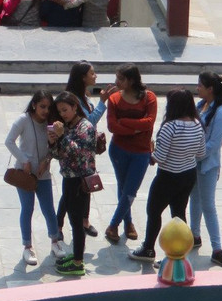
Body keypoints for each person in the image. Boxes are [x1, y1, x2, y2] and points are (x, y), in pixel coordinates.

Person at [128, 89, 206, 263]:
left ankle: (148, 249)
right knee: (179, 213)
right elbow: (201, 153)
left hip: (168, 177)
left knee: (154, 211)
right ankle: (181, 249)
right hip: (188, 174)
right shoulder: (197, 124)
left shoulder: (169, 127)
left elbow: (159, 158)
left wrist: (151, 152)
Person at [5, 91, 65, 266]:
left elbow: (54, 147)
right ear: (34, 105)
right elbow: (9, 141)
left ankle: (55, 241)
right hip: (25, 174)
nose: (45, 111)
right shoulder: (23, 120)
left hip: (43, 174)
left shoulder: (52, 124)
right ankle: (27, 246)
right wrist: (24, 161)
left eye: (48, 107)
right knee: (27, 208)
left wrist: (47, 160)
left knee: (48, 209)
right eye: (42, 107)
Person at [56, 63, 113, 241]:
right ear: (82, 77)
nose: (95, 76)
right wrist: (103, 103)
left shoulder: (85, 96)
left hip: (87, 153)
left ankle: (85, 221)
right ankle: (59, 224)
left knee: (86, 186)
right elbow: (89, 121)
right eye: (92, 73)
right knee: (70, 192)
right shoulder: (75, 100)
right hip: (74, 153)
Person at [46, 91, 101, 276]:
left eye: (65, 110)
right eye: (60, 111)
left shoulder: (85, 127)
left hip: (79, 180)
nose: (62, 114)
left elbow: (79, 154)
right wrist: (53, 142)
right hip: (68, 178)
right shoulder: (68, 126)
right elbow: (58, 155)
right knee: (73, 219)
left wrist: (62, 137)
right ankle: (77, 255)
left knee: (77, 222)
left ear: (75, 107)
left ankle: (78, 262)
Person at [104, 63, 157, 244]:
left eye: (121, 79)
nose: (117, 82)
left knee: (130, 190)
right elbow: (112, 126)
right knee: (123, 187)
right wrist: (134, 129)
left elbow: (148, 122)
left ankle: (113, 225)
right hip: (119, 150)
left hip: (141, 152)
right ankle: (127, 222)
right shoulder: (114, 100)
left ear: (131, 80)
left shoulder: (149, 98)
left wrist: (125, 121)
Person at [189, 71, 222, 269]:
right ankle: (194, 234)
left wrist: (194, 154)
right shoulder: (201, 106)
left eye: (200, 85)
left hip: (207, 165)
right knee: (195, 199)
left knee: (208, 204)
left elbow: (214, 143)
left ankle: (217, 248)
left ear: (210, 89)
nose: (197, 88)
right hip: (195, 162)